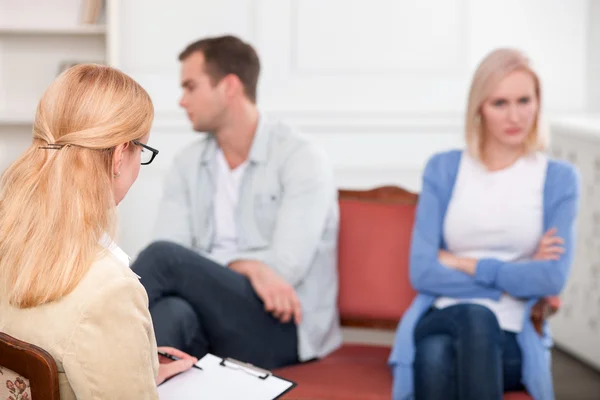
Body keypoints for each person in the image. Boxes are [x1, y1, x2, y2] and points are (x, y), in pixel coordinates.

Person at [131, 35, 342, 370]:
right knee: (171, 313)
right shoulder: (188, 163)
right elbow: (175, 245)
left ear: (229, 87)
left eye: (190, 87)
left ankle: (81, 344)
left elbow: (287, 266)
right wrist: (248, 265)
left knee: (162, 258)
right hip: (209, 318)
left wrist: (235, 266)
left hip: (282, 325)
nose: (182, 101)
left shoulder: (300, 157)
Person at [389, 48, 580, 400]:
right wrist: (515, 277)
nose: (515, 116)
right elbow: (423, 272)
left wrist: (464, 263)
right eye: (500, 103)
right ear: (479, 107)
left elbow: (552, 277)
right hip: (440, 314)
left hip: (510, 336)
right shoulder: (444, 169)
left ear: (538, 103)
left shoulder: (558, 178)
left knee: (435, 358)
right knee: (474, 319)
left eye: (524, 100)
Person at [0, 64, 197, 400]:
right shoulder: (108, 290)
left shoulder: (10, 243)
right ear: (120, 155)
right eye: (142, 151)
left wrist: (140, 369)